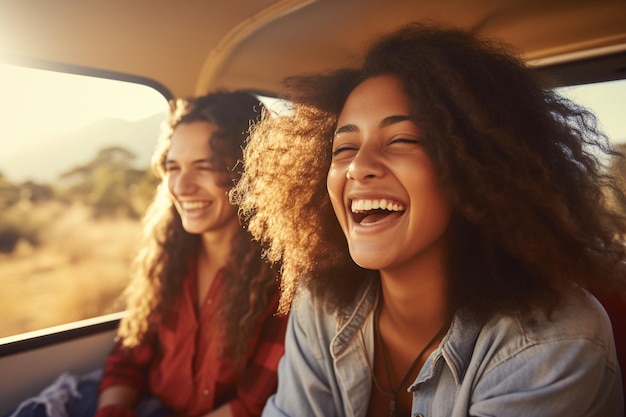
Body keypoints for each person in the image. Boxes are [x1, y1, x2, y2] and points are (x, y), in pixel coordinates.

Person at [229, 23, 626, 417]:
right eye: (344, 147)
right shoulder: (320, 304)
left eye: (402, 140)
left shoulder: (553, 340)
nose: (358, 167)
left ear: (477, 168)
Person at [8, 91, 287, 417]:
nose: (182, 186)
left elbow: (252, 405)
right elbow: (129, 356)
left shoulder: (282, 280)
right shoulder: (168, 257)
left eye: (205, 166)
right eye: (173, 167)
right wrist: (113, 409)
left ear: (252, 173)